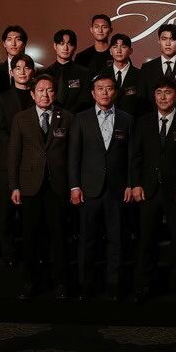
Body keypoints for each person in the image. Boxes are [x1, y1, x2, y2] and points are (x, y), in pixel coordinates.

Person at [129, 77, 176, 304]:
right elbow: (135, 157)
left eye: (167, 92)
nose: (162, 97)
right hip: (148, 191)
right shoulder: (143, 122)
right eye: (158, 92)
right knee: (145, 241)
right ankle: (143, 287)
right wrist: (136, 184)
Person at [7, 74, 74, 299]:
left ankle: (61, 282)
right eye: (41, 90)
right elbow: (14, 154)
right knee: (30, 237)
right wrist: (14, 186)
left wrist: (73, 186)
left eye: (50, 90)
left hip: (58, 186)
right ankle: (31, 282)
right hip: (29, 186)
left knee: (59, 236)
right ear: (32, 94)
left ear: (55, 93)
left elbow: (72, 155)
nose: (45, 95)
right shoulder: (21, 118)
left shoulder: (67, 117)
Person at [68, 73, 134, 300]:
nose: (105, 92)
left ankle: (114, 285)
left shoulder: (126, 119)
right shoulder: (80, 119)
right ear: (92, 93)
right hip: (89, 190)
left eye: (109, 88)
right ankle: (86, 285)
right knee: (87, 240)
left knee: (117, 240)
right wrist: (74, 186)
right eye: (100, 88)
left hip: (117, 190)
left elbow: (132, 157)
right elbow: (73, 156)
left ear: (115, 92)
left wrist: (130, 184)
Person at [0, 54, 35, 265]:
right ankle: (7, 251)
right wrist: (18, 147)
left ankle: (30, 251)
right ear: (11, 72)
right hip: (7, 161)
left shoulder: (39, 94)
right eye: (18, 68)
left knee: (30, 212)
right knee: (6, 210)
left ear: (32, 71)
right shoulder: (2, 98)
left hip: (33, 163)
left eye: (26, 68)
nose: (22, 72)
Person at [139, 23, 176, 121]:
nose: (168, 43)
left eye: (173, 39)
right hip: (152, 123)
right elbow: (141, 101)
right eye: (164, 39)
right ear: (159, 41)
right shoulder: (147, 68)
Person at [46, 29, 93, 114]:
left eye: (70, 44)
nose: (65, 48)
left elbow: (85, 100)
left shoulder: (84, 73)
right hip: (51, 117)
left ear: (75, 47)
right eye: (61, 44)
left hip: (76, 117)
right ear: (55, 46)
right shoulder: (46, 73)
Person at [107, 33, 145, 119]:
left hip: (133, 121)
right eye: (115, 47)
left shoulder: (140, 75)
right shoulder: (103, 75)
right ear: (110, 51)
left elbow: (143, 104)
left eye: (123, 47)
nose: (119, 50)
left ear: (130, 51)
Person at [0, 25, 30, 92]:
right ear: (4, 44)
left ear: (24, 44)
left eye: (18, 39)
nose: (13, 44)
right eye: (9, 39)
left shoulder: (37, 69)